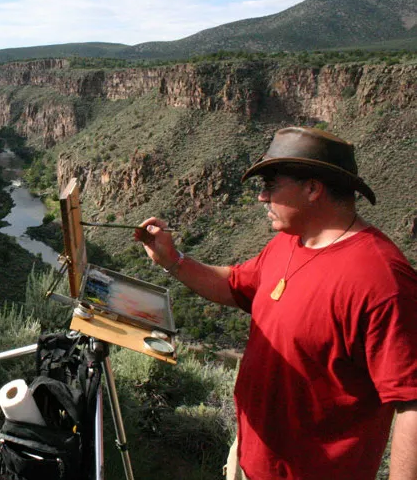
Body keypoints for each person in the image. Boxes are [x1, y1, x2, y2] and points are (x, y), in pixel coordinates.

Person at [135, 126, 417, 480]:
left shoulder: (381, 280)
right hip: (251, 458)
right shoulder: (291, 241)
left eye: (270, 185)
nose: (261, 197)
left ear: (312, 189)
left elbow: (412, 403)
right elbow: (234, 286)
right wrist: (173, 260)